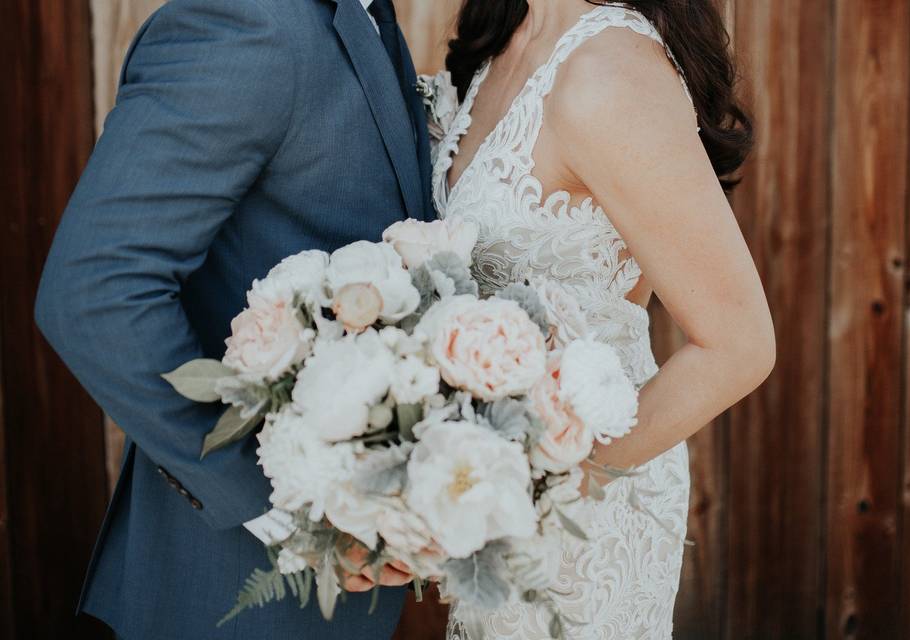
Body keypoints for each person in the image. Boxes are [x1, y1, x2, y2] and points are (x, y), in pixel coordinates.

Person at [34, 0, 426, 638]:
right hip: (224, 596)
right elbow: (96, 290)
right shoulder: (252, 23)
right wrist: (284, 504)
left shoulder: (367, 14)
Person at [434, 1, 774, 637]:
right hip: (490, 503)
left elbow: (740, 345)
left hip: (578, 518)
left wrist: (547, 482)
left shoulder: (609, 70)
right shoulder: (499, 39)